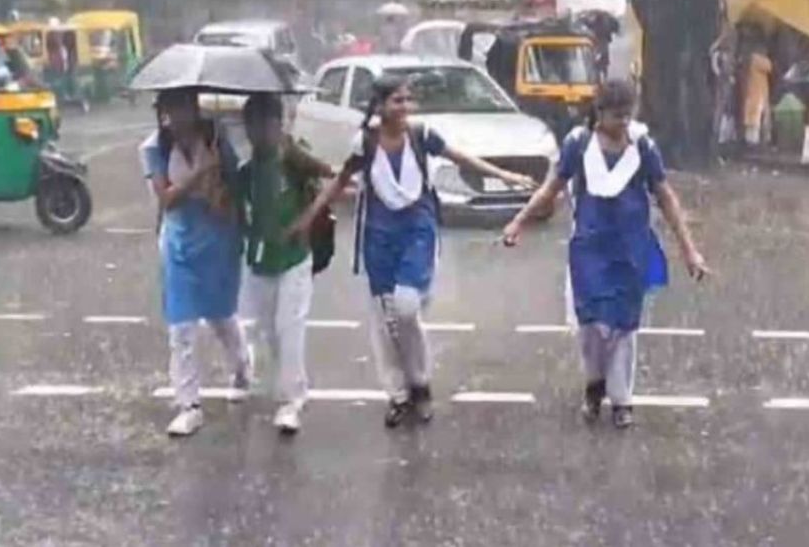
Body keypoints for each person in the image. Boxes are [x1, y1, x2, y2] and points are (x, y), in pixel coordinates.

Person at [290, 74, 537, 428]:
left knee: (406, 309)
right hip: (378, 240)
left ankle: (420, 382)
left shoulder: (421, 136)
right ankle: (398, 395)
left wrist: (505, 175)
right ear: (379, 106)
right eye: (397, 101)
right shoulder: (365, 142)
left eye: (408, 100)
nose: (405, 107)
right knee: (384, 321)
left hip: (416, 232)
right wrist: (307, 219)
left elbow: (461, 157)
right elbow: (340, 183)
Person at [502, 82, 709, 429]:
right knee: (592, 326)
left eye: (629, 115)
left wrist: (689, 249)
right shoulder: (578, 145)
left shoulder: (643, 147)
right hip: (590, 250)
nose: (624, 122)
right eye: (617, 116)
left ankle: (622, 399)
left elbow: (666, 196)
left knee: (624, 326)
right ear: (599, 113)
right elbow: (551, 188)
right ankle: (594, 381)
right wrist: (518, 221)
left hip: (630, 249)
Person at [139, 89, 252, 437]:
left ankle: (243, 367)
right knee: (181, 327)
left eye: (182, 106)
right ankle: (189, 405)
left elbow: (235, 192)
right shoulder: (153, 148)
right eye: (168, 108)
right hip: (179, 242)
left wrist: (221, 189)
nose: (175, 115)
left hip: (218, 239)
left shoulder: (218, 140)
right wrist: (200, 173)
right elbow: (167, 198)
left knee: (220, 316)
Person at [236, 96, 333, 434]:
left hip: (295, 258)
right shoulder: (246, 172)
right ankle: (284, 385)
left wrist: (306, 220)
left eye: (268, 123)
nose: (261, 132)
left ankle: (292, 399)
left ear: (280, 124)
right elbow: (232, 210)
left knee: (288, 327)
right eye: (254, 124)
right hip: (260, 262)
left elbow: (334, 178)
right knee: (268, 330)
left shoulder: (294, 159)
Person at [742, 43, 773, 146]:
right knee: (756, 119)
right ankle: (754, 141)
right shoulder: (756, 59)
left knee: (753, 119)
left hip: (753, 91)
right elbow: (769, 66)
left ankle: (752, 140)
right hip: (758, 93)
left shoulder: (748, 59)